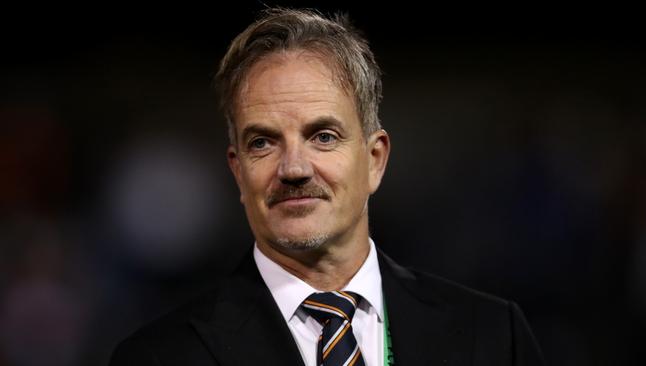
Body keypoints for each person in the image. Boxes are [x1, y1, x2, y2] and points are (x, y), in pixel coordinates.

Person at [109, 8, 545, 366]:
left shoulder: (491, 338)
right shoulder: (158, 357)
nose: (294, 168)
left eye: (323, 137)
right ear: (238, 172)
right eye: (263, 142)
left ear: (375, 160)